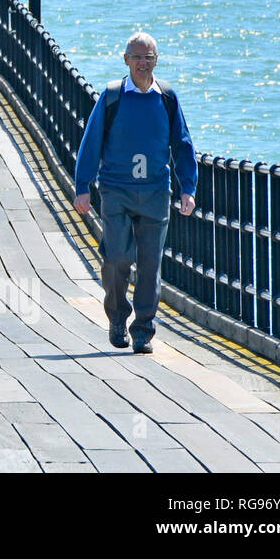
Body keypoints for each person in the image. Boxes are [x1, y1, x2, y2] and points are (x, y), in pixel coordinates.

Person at [74, 32, 198, 354]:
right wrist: (83, 187)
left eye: (149, 58)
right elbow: (91, 142)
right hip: (116, 190)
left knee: (149, 265)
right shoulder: (112, 97)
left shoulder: (167, 98)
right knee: (115, 258)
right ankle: (117, 318)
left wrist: (188, 188)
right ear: (126, 59)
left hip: (156, 193)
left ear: (156, 61)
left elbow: (182, 145)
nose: (143, 64)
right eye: (137, 57)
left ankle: (143, 330)